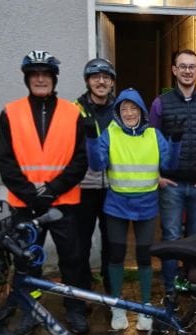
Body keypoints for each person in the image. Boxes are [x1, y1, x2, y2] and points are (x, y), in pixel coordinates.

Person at [0, 50, 89, 335]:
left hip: (63, 202)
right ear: (27, 79)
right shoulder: (10, 113)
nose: (40, 79)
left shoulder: (73, 113)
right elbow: (6, 162)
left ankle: (74, 308)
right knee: (27, 262)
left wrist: (52, 190)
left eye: (45, 74)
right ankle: (31, 310)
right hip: (25, 205)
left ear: (54, 78)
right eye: (34, 74)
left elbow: (80, 160)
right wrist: (31, 195)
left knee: (72, 260)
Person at [86, 88, 172, 331]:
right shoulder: (110, 133)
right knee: (116, 255)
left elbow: (169, 165)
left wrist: (175, 142)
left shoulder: (154, 135)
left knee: (144, 257)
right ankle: (117, 304)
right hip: (117, 205)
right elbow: (97, 165)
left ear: (142, 111)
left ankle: (145, 306)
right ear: (118, 112)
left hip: (146, 205)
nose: (129, 113)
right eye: (124, 109)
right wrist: (91, 140)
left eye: (134, 108)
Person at [149, 49, 196, 293]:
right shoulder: (161, 103)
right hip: (171, 185)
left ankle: (194, 290)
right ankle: (171, 289)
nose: (188, 71)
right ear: (174, 70)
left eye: (192, 67)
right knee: (171, 238)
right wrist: (157, 177)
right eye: (183, 66)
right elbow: (150, 142)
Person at [74, 58, 116, 295]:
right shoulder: (74, 110)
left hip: (113, 188)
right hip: (83, 188)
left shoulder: (120, 110)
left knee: (111, 244)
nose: (101, 82)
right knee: (81, 244)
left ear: (112, 82)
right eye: (95, 77)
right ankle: (83, 292)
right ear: (87, 81)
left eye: (106, 77)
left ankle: (111, 293)